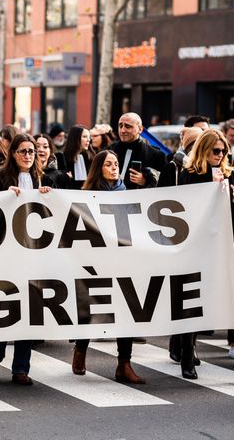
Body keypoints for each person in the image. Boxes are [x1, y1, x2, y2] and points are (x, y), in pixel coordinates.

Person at [178, 129, 234, 382]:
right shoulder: (189, 175)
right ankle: (186, 357)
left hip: (230, 248)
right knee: (194, 303)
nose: (220, 156)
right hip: (199, 249)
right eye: (215, 151)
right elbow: (181, 215)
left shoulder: (232, 174)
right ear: (203, 150)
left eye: (224, 152)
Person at [0, 134, 52, 385]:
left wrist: (47, 196)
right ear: (13, 153)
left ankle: (21, 368)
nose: (28, 156)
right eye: (22, 151)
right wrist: (4, 197)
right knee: (6, 307)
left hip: (34, 255)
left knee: (29, 311)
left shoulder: (42, 178)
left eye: (31, 151)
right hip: (5, 254)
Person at [70, 151, 145, 384]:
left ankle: (124, 363)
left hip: (122, 261)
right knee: (92, 307)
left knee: (127, 309)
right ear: (98, 168)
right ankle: (80, 351)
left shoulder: (127, 195)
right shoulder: (87, 195)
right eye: (108, 164)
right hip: (96, 262)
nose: (114, 168)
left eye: (116, 164)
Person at [110, 112, 166, 190]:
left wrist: (145, 181)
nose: (122, 130)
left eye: (128, 126)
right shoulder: (108, 151)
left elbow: (164, 186)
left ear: (140, 129)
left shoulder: (157, 155)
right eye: (120, 126)